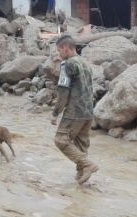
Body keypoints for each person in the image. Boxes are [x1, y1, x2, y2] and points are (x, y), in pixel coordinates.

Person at [51, 35, 99, 185]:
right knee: (81, 144)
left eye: (59, 50)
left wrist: (55, 113)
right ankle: (81, 177)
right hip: (88, 111)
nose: (59, 54)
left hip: (74, 111)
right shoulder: (85, 63)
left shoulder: (68, 65)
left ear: (65, 48)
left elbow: (63, 92)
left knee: (60, 140)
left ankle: (87, 165)